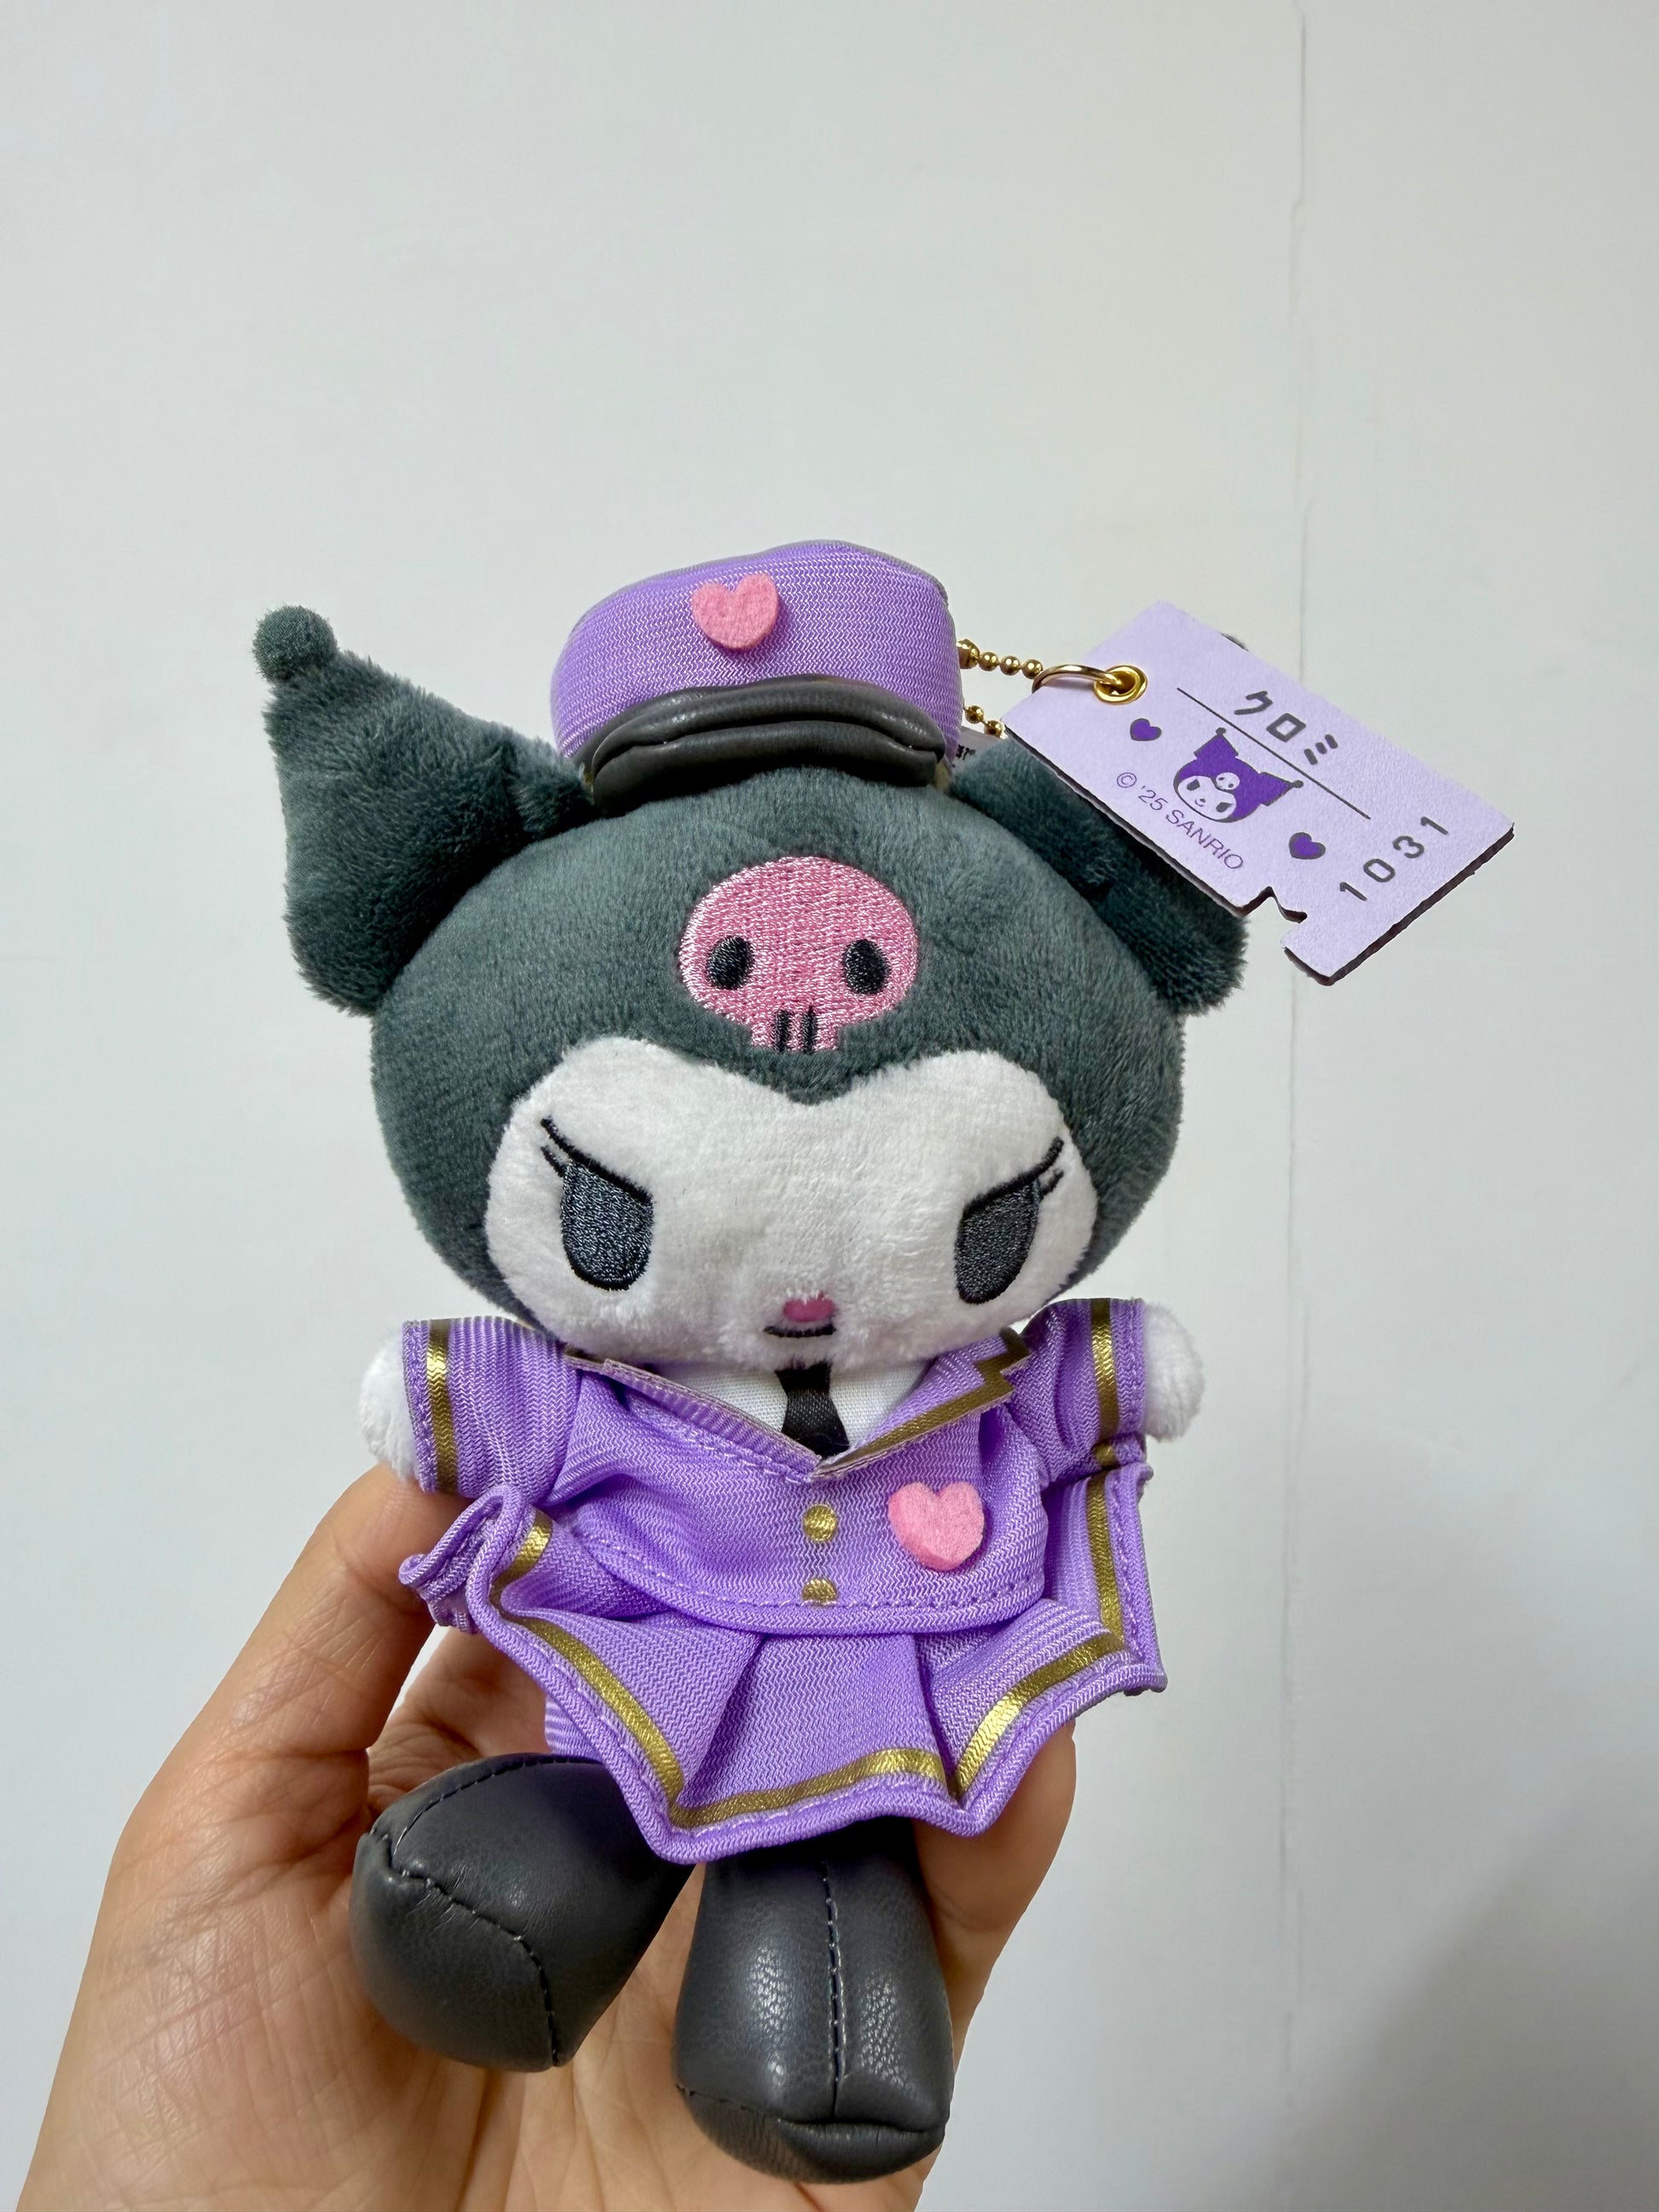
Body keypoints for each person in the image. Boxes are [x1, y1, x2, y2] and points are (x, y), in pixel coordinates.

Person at [22, 1465, 1076, 2211]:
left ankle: (808, 2021)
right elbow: (506, 1403)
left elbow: (1072, 1400)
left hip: (846, 1725)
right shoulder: (624, 1408)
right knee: (612, 1778)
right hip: (641, 1678)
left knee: (815, 1859)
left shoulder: (961, 1410)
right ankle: (519, 1904)